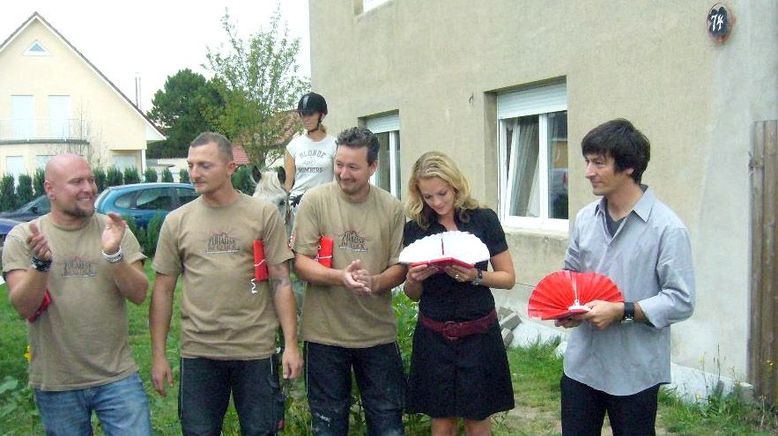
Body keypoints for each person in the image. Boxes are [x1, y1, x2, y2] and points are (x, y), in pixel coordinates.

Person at [149, 132, 302, 435]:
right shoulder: (177, 221)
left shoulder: (263, 214)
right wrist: (158, 355)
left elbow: (281, 281)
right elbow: (163, 290)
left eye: (205, 165)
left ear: (231, 167)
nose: (195, 172)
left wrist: (291, 346)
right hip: (199, 351)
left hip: (255, 350)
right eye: (191, 165)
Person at [557, 119, 695, 436]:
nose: (588, 171)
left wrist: (623, 310)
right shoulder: (584, 219)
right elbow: (572, 274)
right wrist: (566, 307)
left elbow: (681, 300)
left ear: (629, 166)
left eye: (598, 163)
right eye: (587, 161)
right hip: (582, 366)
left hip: (635, 372)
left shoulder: (667, 228)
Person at [2, 153, 152, 435]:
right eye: (77, 182)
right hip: (58, 381)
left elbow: (139, 293)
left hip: (117, 376)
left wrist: (113, 254)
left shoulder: (113, 228)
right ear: (51, 189)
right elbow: (23, 306)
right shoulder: (25, 236)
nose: (89, 188)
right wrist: (41, 264)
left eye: (91, 180)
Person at [292, 127, 406, 435]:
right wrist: (340, 277)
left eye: (353, 166)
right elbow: (300, 264)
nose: (343, 173)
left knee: (388, 424)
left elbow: (400, 267)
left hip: (377, 335)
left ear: (373, 167)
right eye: (338, 164)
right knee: (328, 426)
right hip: (325, 335)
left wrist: (377, 281)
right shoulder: (314, 201)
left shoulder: (392, 208)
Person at [403, 151, 516, 436]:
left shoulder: (483, 220)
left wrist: (475, 276)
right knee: (442, 423)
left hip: (478, 333)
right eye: (428, 197)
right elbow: (412, 294)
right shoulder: (416, 229)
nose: (437, 202)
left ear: (455, 185)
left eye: (442, 193)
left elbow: (508, 278)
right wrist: (415, 279)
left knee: (478, 421)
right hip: (434, 334)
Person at [284, 92, 337, 217]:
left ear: (322, 115)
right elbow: (288, 183)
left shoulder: (334, 144)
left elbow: (338, 181)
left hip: (323, 205)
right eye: (303, 114)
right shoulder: (293, 146)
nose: (306, 118)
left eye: (310, 114)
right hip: (297, 206)